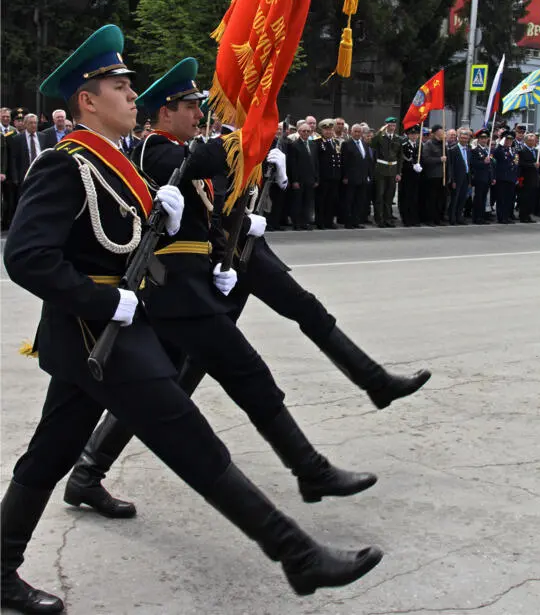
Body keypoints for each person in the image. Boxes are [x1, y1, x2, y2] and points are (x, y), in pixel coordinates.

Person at [1, 28, 382, 614]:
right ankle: (298, 556)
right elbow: (26, 257)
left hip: (105, 334)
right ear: (87, 100)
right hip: (97, 332)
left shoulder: (113, 163)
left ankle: (0, 567)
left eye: (130, 86)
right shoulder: (64, 164)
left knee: (52, 452)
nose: (133, 96)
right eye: (120, 87)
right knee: (190, 438)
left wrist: (165, 214)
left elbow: (122, 242)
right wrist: (106, 303)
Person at [64, 57, 376, 516]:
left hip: (194, 284)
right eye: (190, 106)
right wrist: (254, 127)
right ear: (164, 112)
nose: (198, 114)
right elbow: (206, 159)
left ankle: (87, 472)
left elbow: (213, 197)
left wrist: (234, 235)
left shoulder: (182, 151)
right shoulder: (155, 148)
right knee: (244, 370)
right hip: (172, 288)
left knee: (162, 388)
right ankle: (309, 469)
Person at [371, 118, 402, 228]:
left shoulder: (398, 138)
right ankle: (379, 219)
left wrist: (399, 172)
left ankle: (388, 218)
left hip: (392, 170)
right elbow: (372, 144)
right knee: (380, 195)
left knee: (389, 197)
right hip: (381, 169)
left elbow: (400, 157)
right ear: (385, 126)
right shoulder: (380, 137)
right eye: (389, 125)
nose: (391, 128)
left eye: (393, 125)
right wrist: (380, 131)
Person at [287, 121, 319, 230]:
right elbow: (293, 164)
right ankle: (297, 223)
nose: (306, 133)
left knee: (307, 202)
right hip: (299, 179)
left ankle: (305, 222)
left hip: (310, 179)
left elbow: (316, 163)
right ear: (299, 132)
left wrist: (316, 178)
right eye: (303, 131)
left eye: (308, 131)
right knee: (297, 202)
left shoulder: (313, 145)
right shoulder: (294, 145)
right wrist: (294, 180)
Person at [340, 124, 369, 229]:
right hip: (351, 178)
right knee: (349, 201)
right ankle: (348, 222)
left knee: (359, 200)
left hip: (362, 178)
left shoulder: (364, 144)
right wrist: (345, 176)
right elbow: (344, 161)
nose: (357, 133)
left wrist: (368, 175)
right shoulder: (346, 144)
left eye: (359, 132)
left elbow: (366, 161)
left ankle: (356, 221)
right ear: (351, 132)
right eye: (355, 131)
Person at [315, 119, 340, 229]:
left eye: (330, 130)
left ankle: (329, 221)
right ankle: (320, 222)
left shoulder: (335, 142)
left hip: (334, 177)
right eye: (326, 130)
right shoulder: (317, 143)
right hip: (323, 177)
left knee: (332, 200)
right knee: (322, 201)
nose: (328, 132)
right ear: (322, 131)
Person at [422, 125, 447, 225]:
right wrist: (439, 160)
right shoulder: (429, 144)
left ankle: (438, 218)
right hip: (432, 175)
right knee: (431, 198)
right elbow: (426, 159)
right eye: (441, 131)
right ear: (436, 133)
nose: (443, 133)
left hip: (442, 175)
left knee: (440, 199)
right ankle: (430, 219)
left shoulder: (443, 144)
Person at [10, 113, 42, 189]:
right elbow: (14, 159)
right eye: (31, 123)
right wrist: (15, 178)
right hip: (25, 174)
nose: (33, 125)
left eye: (35, 123)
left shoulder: (43, 136)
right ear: (25, 124)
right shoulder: (17, 139)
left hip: (40, 172)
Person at [398, 126, 422, 227]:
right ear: (408, 135)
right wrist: (411, 166)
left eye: (416, 134)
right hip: (406, 174)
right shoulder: (404, 145)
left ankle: (413, 217)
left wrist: (420, 166)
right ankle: (406, 218)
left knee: (414, 196)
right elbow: (401, 160)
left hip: (416, 175)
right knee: (406, 196)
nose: (414, 136)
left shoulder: (419, 145)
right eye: (412, 134)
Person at [447, 128, 471, 225]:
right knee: (455, 199)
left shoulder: (468, 150)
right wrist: (452, 180)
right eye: (462, 138)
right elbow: (451, 166)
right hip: (456, 178)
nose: (464, 140)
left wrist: (469, 180)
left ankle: (459, 217)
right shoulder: (453, 149)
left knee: (462, 198)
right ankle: (452, 218)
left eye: (466, 138)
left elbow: (469, 165)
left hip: (465, 177)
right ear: (458, 138)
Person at [493, 131, 518, 224]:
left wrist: (516, 177)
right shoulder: (500, 150)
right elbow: (495, 154)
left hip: (511, 178)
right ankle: (501, 217)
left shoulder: (514, 150)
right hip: (502, 178)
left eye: (511, 140)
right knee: (501, 199)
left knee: (509, 199)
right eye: (507, 140)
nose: (509, 141)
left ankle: (506, 216)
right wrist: (500, 144)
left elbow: (516, 164)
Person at [470, 130, 493, 224]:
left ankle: (482, 216)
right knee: (478, 198)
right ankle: (477, 217)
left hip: (487, 178)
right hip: (479, 177)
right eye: (482, 138)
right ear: (478, 139)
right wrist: (483, 162)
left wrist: (492, 177)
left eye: (485, 138)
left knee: (484, 198)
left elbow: (491, 166)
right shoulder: (475, 150)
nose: (484, 140)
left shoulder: (488, 150)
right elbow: (473, 164)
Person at [517, 132, 539, 223]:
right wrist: (532, 165)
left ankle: (529, 214)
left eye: (533, 140)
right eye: (529, 140)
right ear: (525, 141)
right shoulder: (522, 150)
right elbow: (520, 163)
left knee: (531, 197)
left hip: (534, 177)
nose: (531, 142)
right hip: (525, 177)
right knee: (524, 197)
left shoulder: (536, 151)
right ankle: (523, 216)